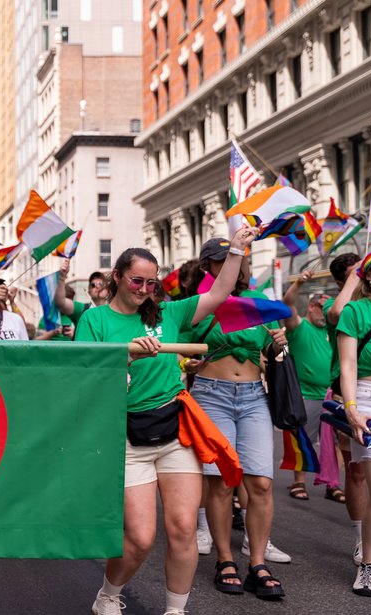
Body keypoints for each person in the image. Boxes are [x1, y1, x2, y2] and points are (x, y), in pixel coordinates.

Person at [75, 226, 256, 615]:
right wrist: (126, 356)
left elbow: (218, 293)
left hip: (175, 431)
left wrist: (237, 250)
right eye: (136, 280)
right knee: (140, 539)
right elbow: (85, 378)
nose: (143, 288)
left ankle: (176, 610)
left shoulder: (170, 313)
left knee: (183, 530)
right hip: (125, 436)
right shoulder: (94, 321)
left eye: (151, 282)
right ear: (117, 278)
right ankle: (108, 594)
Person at [185, 238, 290, 600]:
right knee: (222, 482)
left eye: (239, 258)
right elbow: (179, 347)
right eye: (224, 259)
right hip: (211, 395)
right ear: (207, 267)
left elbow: (273, 349)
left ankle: (257, 563)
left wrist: (278, 342)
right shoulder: (199, 303)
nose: (236, 264)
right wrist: (188, 362)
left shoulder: (257, 300)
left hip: (252, 397)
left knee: (260, 482)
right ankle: (225, 559)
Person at [338, 249, 371, 597]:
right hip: (368, 401)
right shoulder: (355, 311)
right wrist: (351, 408)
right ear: (369, 274)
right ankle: (369, 566)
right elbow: (349, 365)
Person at [326, 252, 369, 564]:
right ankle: (362, 537)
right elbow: (338, 311)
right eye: (358, 271)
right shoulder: (339, 306)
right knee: (356, 472)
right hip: (350, 391)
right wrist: (358, 274)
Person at [282, 271, 333, 500]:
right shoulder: (299, 326)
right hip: (305, 394)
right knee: (303, 440)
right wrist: (300, 282)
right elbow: (287, 303)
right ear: (311, 307)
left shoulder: (332, 331)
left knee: (332, 443)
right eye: (322, 308)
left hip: (331, 395)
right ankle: (298, 483)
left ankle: (332, 484)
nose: (326, 313)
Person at [53, 258, 109, 325]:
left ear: (108, 290)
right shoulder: (81, 309)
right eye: (93, 285)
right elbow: (60, 303)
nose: (97, 286)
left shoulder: (114, 311)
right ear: (89, 292)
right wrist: (62, 277)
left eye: (101, 284)